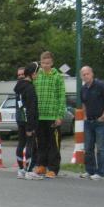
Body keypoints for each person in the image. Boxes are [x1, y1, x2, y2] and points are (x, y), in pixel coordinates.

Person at [33, 51, 66, 179]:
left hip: (52, 116)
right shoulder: (36, 76)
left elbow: (61, 97)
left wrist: (59, 115)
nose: (45, 65)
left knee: (54, 144)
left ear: (52, 63)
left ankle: (53, 168)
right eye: (43, 63)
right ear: (40, 63)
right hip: (39, 116)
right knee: (41, 142)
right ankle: (41, 165)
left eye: (48, 63)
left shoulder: (57, 77)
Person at [79, 65, 104, 180]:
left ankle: (100, 172)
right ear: (81, 76)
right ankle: (90, 170)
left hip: (100, 122)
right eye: (83, 74)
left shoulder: (100, 85)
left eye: (87, 73)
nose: (86, 76)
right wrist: (85, 115)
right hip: (89, 122)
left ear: (92, 74)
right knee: (88, 148)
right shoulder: (83, 89)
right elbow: (83, 103)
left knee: (101, 148)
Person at [14, 62, 42, 180]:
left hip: (20, 119)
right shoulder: (29, 87)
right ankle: (29, 171)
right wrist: (30, 127)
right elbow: (31, 108)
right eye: (37, 73)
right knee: (31, 145)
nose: (37, 75)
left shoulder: (19, 86)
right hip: (28, 120)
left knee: (21, 143)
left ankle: (21, 170)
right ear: (32, 73)